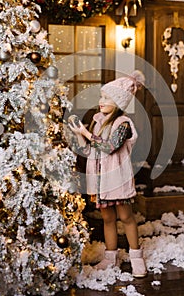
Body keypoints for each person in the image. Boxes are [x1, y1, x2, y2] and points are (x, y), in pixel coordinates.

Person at [68, 70, 147, 277]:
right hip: (101, 180)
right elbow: (88, 151)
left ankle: (136, 256)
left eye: (106, 98)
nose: (101, 101)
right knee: (107, 218)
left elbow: (109, 147)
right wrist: (79, 136)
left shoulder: (123, 124)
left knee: (126, 217)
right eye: (101, 97)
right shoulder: (97, 121)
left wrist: (86, 133)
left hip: (116, 178)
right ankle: (111, 256)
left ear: (118, 102)